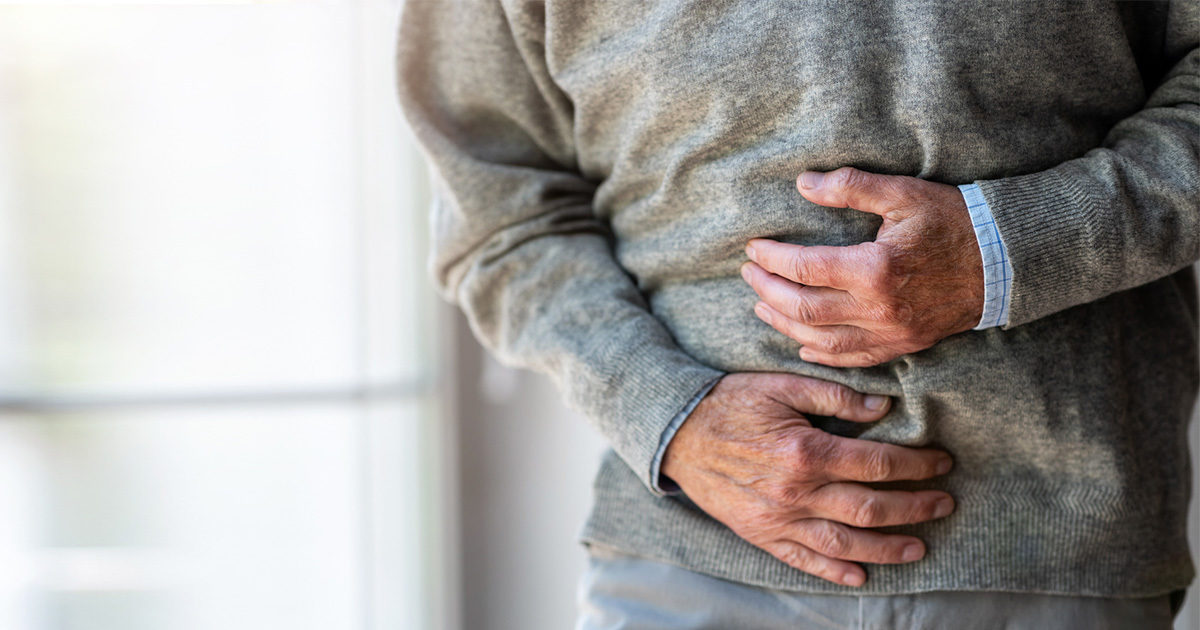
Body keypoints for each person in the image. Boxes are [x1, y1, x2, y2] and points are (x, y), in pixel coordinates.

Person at [396, 1, 1199, 627]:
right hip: (686, 564)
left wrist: (1014, 249)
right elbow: (499, 215)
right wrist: (668, 415)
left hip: (1061, 556)